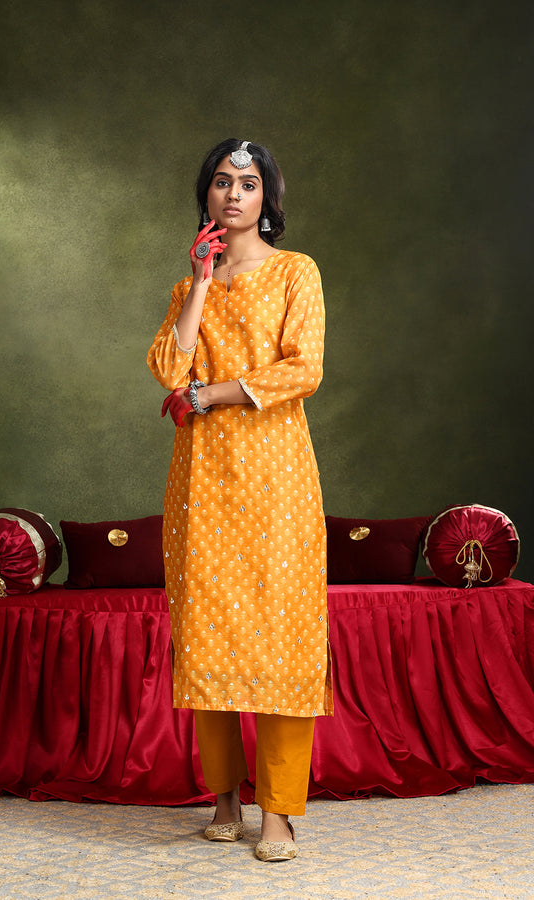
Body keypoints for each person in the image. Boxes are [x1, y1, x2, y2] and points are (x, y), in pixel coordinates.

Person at [147, 138, 332, 862]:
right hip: (201, 482)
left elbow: (303, 368)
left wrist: (211, 394)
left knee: (283, 637)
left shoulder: (295, 271)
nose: (233, 194)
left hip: (277, 478)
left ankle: (278, 810)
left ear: (268, 197)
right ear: (207, 194)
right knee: (207, 636)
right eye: (222, 181)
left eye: (248, 184)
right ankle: (224, 797)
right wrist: (200, 281)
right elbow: (169, 368)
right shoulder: (186, 287)